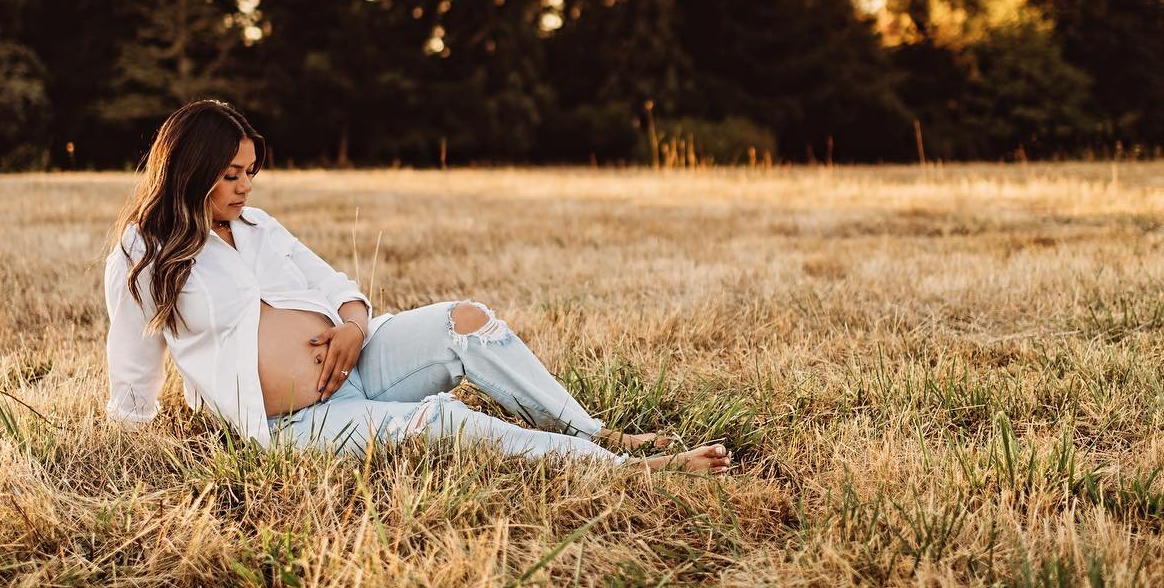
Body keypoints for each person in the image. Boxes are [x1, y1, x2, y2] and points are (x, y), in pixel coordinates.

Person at [103, 99, 731, 474]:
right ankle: (622, 469)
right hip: (294, 424)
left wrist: (353, 326)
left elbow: (336, 283)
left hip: (356, 365)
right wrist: (136, 447)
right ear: (190, 171)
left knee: (466, 319)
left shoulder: (259, 226)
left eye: (251, 173)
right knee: (438, 422)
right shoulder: (143, 252)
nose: (245, 188)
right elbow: (133, 371)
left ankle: (592, 431)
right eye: (231, 174)